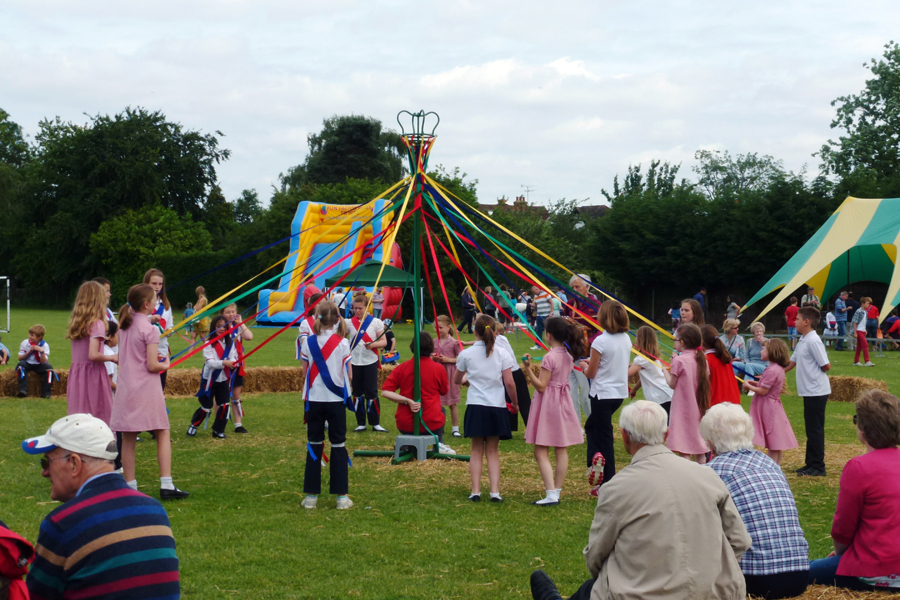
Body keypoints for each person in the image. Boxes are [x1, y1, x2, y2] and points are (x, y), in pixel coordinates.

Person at [529, 401, 750, 600]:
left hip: (641, 592)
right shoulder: (707, 475)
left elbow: (595, 556)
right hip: (713, 592)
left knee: (593, 587)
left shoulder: (616, 488)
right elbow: (739, 540)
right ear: (666, 435)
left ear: (624, 436)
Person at [22, 413, 181, 599]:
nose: (44, 472)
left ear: (74, 464)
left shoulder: (62, 524)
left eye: (47, 462)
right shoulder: (156, 512)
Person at [701, 404, 810, 599]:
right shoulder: (769, 463)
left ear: (710, 444)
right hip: (799, 571)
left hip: (755, 576)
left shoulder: (712, 471)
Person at [808, 389, 900, 591]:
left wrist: (841, 553)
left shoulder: (859, 467)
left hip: (876, 569)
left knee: (801, 572)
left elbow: (843, 527)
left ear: (863, 428)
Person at [111, 284, 189, 499]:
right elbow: (153, 365)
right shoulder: (150, 330)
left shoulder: (124, 326)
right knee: (162, 430)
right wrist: (166, 365)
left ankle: (130, 487)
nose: (157, 302)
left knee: (128, 437)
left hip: (127, 387)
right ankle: (166, 484)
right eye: (155, 299)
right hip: (146, 387)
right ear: (147, 305)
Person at [521, 316, 585, 506]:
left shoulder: (550, 357)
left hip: (549, 403)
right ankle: (556, 490)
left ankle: (551, 493)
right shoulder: (567, 354)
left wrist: (528, 369)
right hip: (563, 402)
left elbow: (541, 386)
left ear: (548, 335)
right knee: (561, 448)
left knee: (541, 449)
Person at [455, 314, 518, 502]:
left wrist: (466, 379)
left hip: (476, 405)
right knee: (492, 451)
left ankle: (475, 491)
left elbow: (457, 380)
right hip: (496, 406)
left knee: (476, 450)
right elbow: (510, 383)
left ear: (475, 332)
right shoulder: (502, 353)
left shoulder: (466, 354)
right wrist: (515, 403)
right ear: (495, 332)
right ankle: (494, 492)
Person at [299, 300, 353, 510]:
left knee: (314, 443)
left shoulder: (308, 342)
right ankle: (341, 497)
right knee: (338, 445)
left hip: (314, 398)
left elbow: (304, 371)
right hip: (336, 400)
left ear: (317, 317)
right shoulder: (343, 343)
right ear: (338, 319)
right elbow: (348, 372)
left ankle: (311, 497)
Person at [581, 301, 631, 486]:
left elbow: (591, 373)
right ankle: (595, 458)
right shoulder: (625, 338)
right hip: (618, 393)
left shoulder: (600, 340)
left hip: (602, 394)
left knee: (603, 435)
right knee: (592, 426)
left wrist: (584, 366)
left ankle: (607, 478)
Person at [382, 331, 453, 455]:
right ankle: (438, 442)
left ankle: (407, 443)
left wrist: (406, 400)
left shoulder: (401, 368)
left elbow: (385, 391)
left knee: (440, 411)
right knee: (442, 410)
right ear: (431, 347)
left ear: (412, 347)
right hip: (432, 423)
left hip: (405, 424)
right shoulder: (438, 368)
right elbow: (444, 391)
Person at [786, 306, 831, 477]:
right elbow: (791, 363)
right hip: (809, 391)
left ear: (806, 322)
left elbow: (826, 365)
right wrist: (772, 371)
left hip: (817, 391)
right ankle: (810, 463)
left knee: (815, 430)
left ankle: (818, 466)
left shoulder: (813, 341)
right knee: (810, 429)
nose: (794, 322)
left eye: (797, 319)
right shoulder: (803, 340)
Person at [66, 280, 118, 426]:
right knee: (99, 416)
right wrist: (112, 357)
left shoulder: (77, 323)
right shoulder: (98, 324)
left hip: (78, 375)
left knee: (78, 417)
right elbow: (93, 355)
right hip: (93, 376)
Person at [741, 338, 797, 465]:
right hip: (773, 405)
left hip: (768, 407)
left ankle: (771, 467)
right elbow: (766, 386)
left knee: (773, 440)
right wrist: (754, 382)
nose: (761, 351)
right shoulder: (777, 369)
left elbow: (763, 391)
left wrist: (748, 386)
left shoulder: (772, 370)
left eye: (764, 348)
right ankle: (776, 466)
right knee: (776, 442)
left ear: (772, 351)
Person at [664, 323, 710, 463]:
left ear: (682, 342)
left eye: (675, 340)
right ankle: (702, 474)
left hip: (682, 409)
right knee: (698, 445)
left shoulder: (678, 361)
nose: (674, 343)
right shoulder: (702, 361)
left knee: (683, 447)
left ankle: (687, 477)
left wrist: (664, 371)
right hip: (699, 408)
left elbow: (672, 384)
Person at [188, 315, 236, 439]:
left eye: (224, 326)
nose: (221, 328)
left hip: (223, 379)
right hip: (209, 380)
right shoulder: (209, 344)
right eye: (218, 326)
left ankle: (218, 430)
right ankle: (194, 425)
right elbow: (209, 362)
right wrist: (223, 363)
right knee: (206, 407)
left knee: (225, 405)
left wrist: (233, 363)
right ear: (213, 327)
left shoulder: (230, 343)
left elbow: (233, 357)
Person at [347, 293, 388, 432]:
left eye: (360, 308)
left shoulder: (376, 322)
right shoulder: (348, 323)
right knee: (357, 393)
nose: (357, 311)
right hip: (354, 362)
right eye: (355, 308)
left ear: (367, 308)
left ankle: (375, 423)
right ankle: (361, 423)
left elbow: (384, 341)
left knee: (371, 392)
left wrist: (373, 344)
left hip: (370, 361)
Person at [564, 274, 601, 427]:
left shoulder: (596, 304)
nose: (574, 290)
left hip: (586, 355)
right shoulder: (569, 304)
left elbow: (601, 329)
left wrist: (589, 342)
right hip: (570, 353)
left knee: (586, 395)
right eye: (572, 287)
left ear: (587, 287)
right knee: (570, 393)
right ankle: (576, 429)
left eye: (577, 287)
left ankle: (594, 426)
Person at [628, 326, 673, 417]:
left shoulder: (641, 360)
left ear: (640, 340)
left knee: (661, 426)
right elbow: (644, 378)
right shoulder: (653, 358)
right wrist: (634, 390)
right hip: (667, 394)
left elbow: (626, 374)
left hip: (659, 397)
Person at [222, 303, 253, 434]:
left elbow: (249, 337)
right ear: (222, 314)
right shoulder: (220, 327)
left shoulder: (238, 327)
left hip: (236, 365)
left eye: (233, 312)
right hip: (223, 365)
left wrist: (240, 323)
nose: (231, 314)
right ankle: (220, 424)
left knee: (236, 395)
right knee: (221, 397)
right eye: (228, 312)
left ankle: (238, 424)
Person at [143, 268, 174, 391]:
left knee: (159, 388)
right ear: (146, 283)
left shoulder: (165, 305)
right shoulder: (140, 303)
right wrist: (149, 319)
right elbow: (135, 323)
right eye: (154, 283)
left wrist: (169, 331)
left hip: (161, 349)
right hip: (144, 349)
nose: (157, 287)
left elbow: (170, 325)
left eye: (160, 284)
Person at [433, 315, 463, 437]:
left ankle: (455, 429)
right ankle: (438, 427)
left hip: (450, 374)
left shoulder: (454, 342)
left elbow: (461, 359)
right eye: (436, 328)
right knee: (436, 403)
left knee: (452, 403)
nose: (438, 330)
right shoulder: (434, 342)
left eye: (440, 327)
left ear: (448, 327)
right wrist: (433, 358)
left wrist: (448, 359)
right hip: (437, 374)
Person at [701, 325, 740, 407]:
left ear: (701, 342)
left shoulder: (706, 359)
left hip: (716, 407)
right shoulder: (724, 357)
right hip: (733, 405)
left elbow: (702, 386)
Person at [16, 324, 54, 398]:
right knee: (21, 365)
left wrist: (41, 352)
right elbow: (20, 358)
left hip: (39, 365)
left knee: (49, 369)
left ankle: (46, 393)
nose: (30, 337)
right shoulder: (25, 343)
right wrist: (29, 352)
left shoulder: (44, 345)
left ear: (39, 337)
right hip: (27, 363)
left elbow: (43, 362)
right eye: (30, 334)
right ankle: (23, 390)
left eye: (32, 335)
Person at [851, 296, 875, 367]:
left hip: (862, 330)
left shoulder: (865, 312)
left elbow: (864, 321)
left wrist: (865, 329)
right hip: (858, 330)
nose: (868, 305)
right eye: (867, 303)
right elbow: (855, 322)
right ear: (863, 303)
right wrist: (855, 332)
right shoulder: (858, 311)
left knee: (859, 346)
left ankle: (856, 361)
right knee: (865, 344)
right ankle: (867, 361)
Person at [531, 285, 553, 350]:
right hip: (539, 315)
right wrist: (533, 306)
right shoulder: (535, 296)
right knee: (538, 330)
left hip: (547, 315)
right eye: (533, 293)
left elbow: (551, 303)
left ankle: (552, 345)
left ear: (537, 289)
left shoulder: (546, 294)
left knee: (549, 330)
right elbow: (536, 306)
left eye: (534, 292)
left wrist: (551, 312)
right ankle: (538, 345)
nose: (534, 294)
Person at [104, 321, 119, 394]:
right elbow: (109, 381)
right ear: (110, 337)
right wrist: (119, 390)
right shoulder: (109, 355)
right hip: (108, 395)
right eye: (117, 334)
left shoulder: (102, 351)